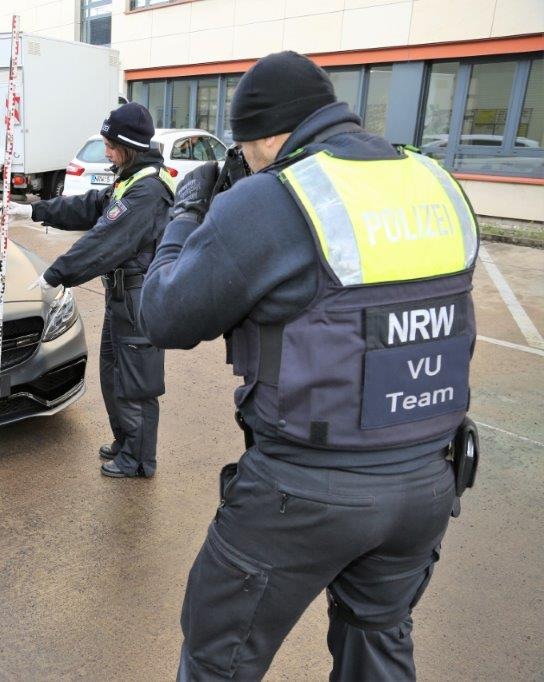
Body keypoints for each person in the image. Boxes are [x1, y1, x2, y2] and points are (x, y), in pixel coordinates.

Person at [139, 51, 479, 680]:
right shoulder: (436, 182)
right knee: (377, 646)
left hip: (306, 493)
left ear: (269, 134)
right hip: (427, 482)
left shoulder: (275, 198)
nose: (248, 162)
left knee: (218, 660)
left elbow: (165, 315)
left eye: (247, 149)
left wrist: (188, 212)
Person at [2, 102, 175, 478]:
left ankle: (139, 459)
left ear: (128, 145)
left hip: (139, 301)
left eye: (111, 145)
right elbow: (91, 206)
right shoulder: (128, 178)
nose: (107, 151)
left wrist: (56, 274)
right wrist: (34, 211)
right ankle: (126, 442)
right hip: (121, 298)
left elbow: (105, 240)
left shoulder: (148, 191)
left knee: (136, 383)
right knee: (113, 375)